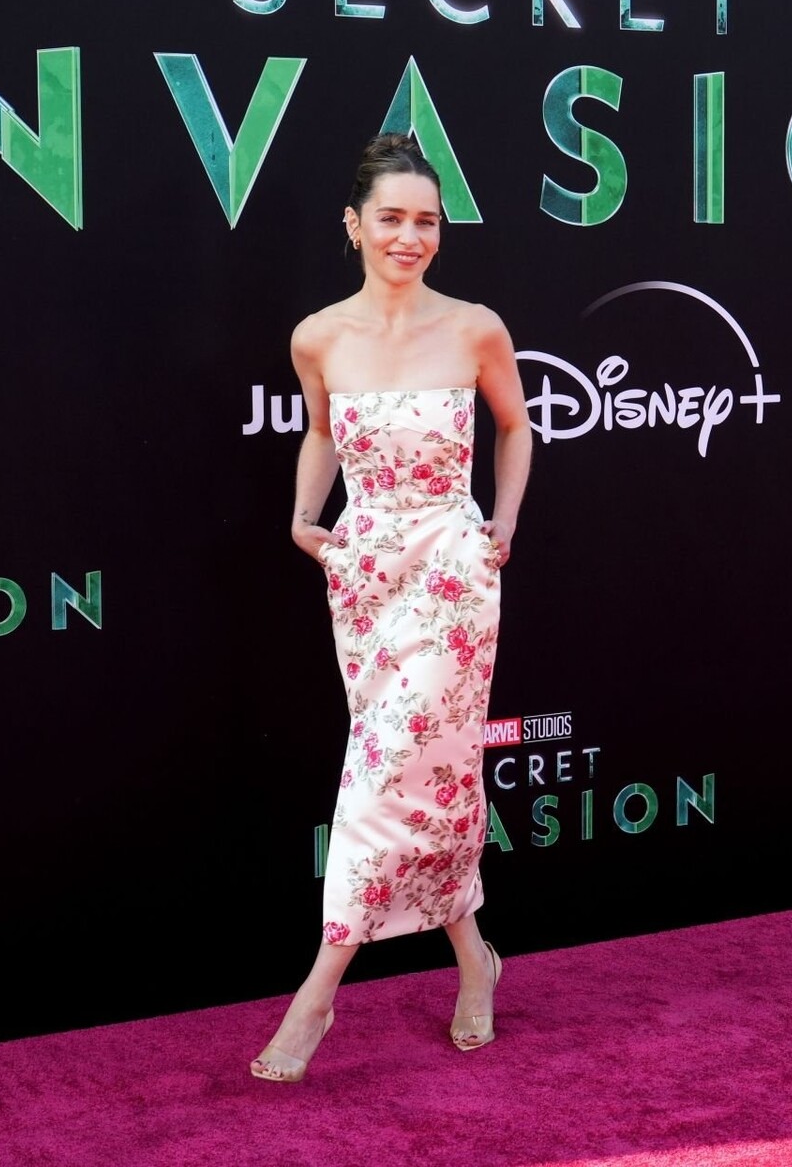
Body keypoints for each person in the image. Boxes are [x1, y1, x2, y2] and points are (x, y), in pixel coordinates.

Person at [250, 133, 533, 1083]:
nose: (410, 236)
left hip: (452, 569)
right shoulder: (319, 336)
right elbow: (322, 434)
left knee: (384, 772)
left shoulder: (475, 327)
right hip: (367, 571)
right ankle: (475, 959)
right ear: (355, 225)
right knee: (429, 779)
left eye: (426, 221)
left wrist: (500, 524)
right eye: (392, 219)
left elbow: (515, 427)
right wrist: (304, 519)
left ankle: (317, 994)